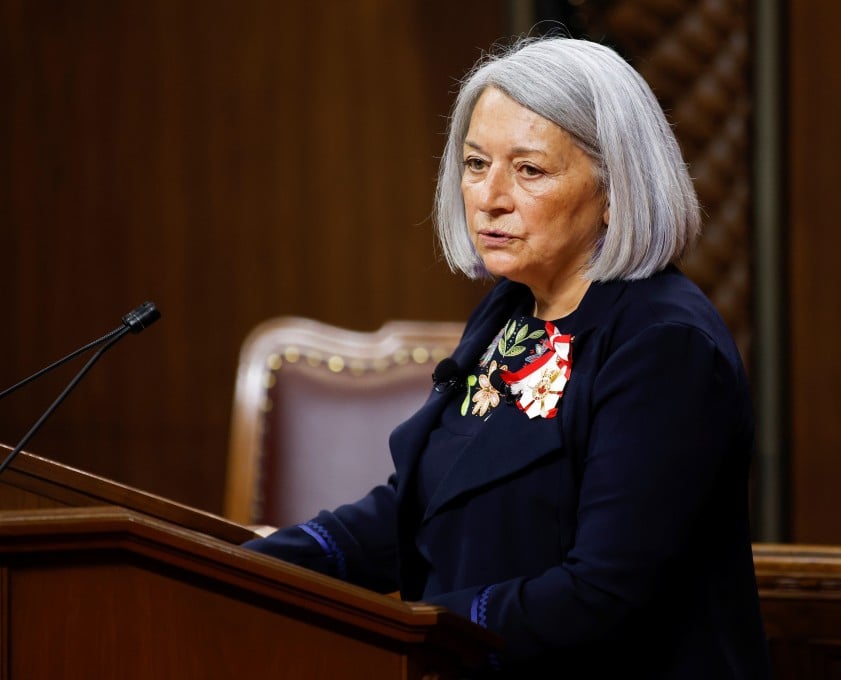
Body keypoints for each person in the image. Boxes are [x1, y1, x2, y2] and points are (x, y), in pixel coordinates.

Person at [244, 36, 771, 678]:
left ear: (615, 189)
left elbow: (601, 593)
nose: (489, 197)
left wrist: (414, 632)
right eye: (474, 164)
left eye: (529, 170)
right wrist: (253, 565)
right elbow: (424, 510)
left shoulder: (664, 343)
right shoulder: (512, 310)